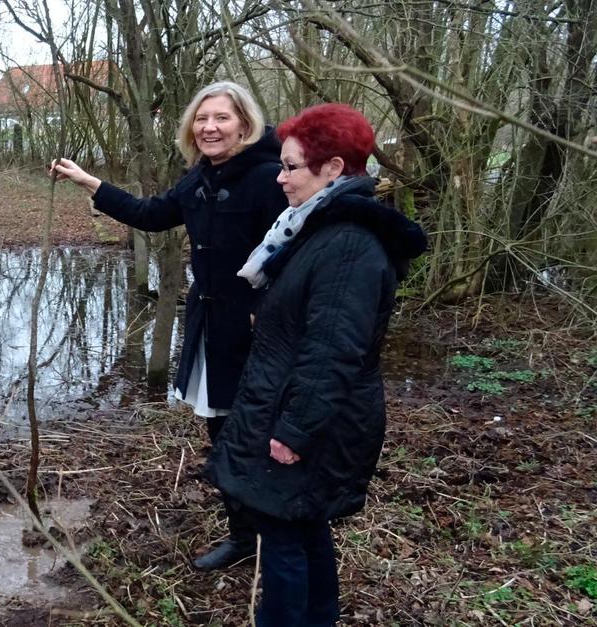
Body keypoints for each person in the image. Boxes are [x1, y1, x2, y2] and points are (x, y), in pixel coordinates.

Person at [50, 81, 289, 570]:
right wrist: (90, 183)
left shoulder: (270, 178)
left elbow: (289, 253)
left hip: (255, 332)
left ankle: (272, 537)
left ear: (245, 123)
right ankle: (245, 537)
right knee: (219, 430)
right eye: (202, 120)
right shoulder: (199, 178)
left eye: (221, 118)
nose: (209, 128)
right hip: (209, 324)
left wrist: (266, 309)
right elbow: (152, 214)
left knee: (254, 433)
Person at [206, 103, 427, 626]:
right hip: (290, 406)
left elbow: (334, 348)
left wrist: (296, 430)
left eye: (290, 167)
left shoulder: (347, 244)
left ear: (332, 169)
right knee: (300, 526)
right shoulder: (315, 228)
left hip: (313, 420)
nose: (279, 178)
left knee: (284, 536)